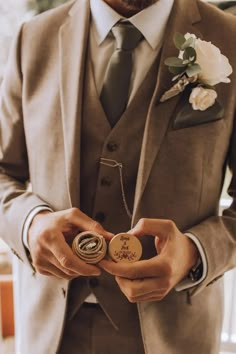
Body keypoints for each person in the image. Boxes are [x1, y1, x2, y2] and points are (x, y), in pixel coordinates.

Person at [0, 0, 235, 353]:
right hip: (51, 334)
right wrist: (29, 224)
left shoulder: (229, 40)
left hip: (175, 335)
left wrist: (193, 253)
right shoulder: (33, 38)